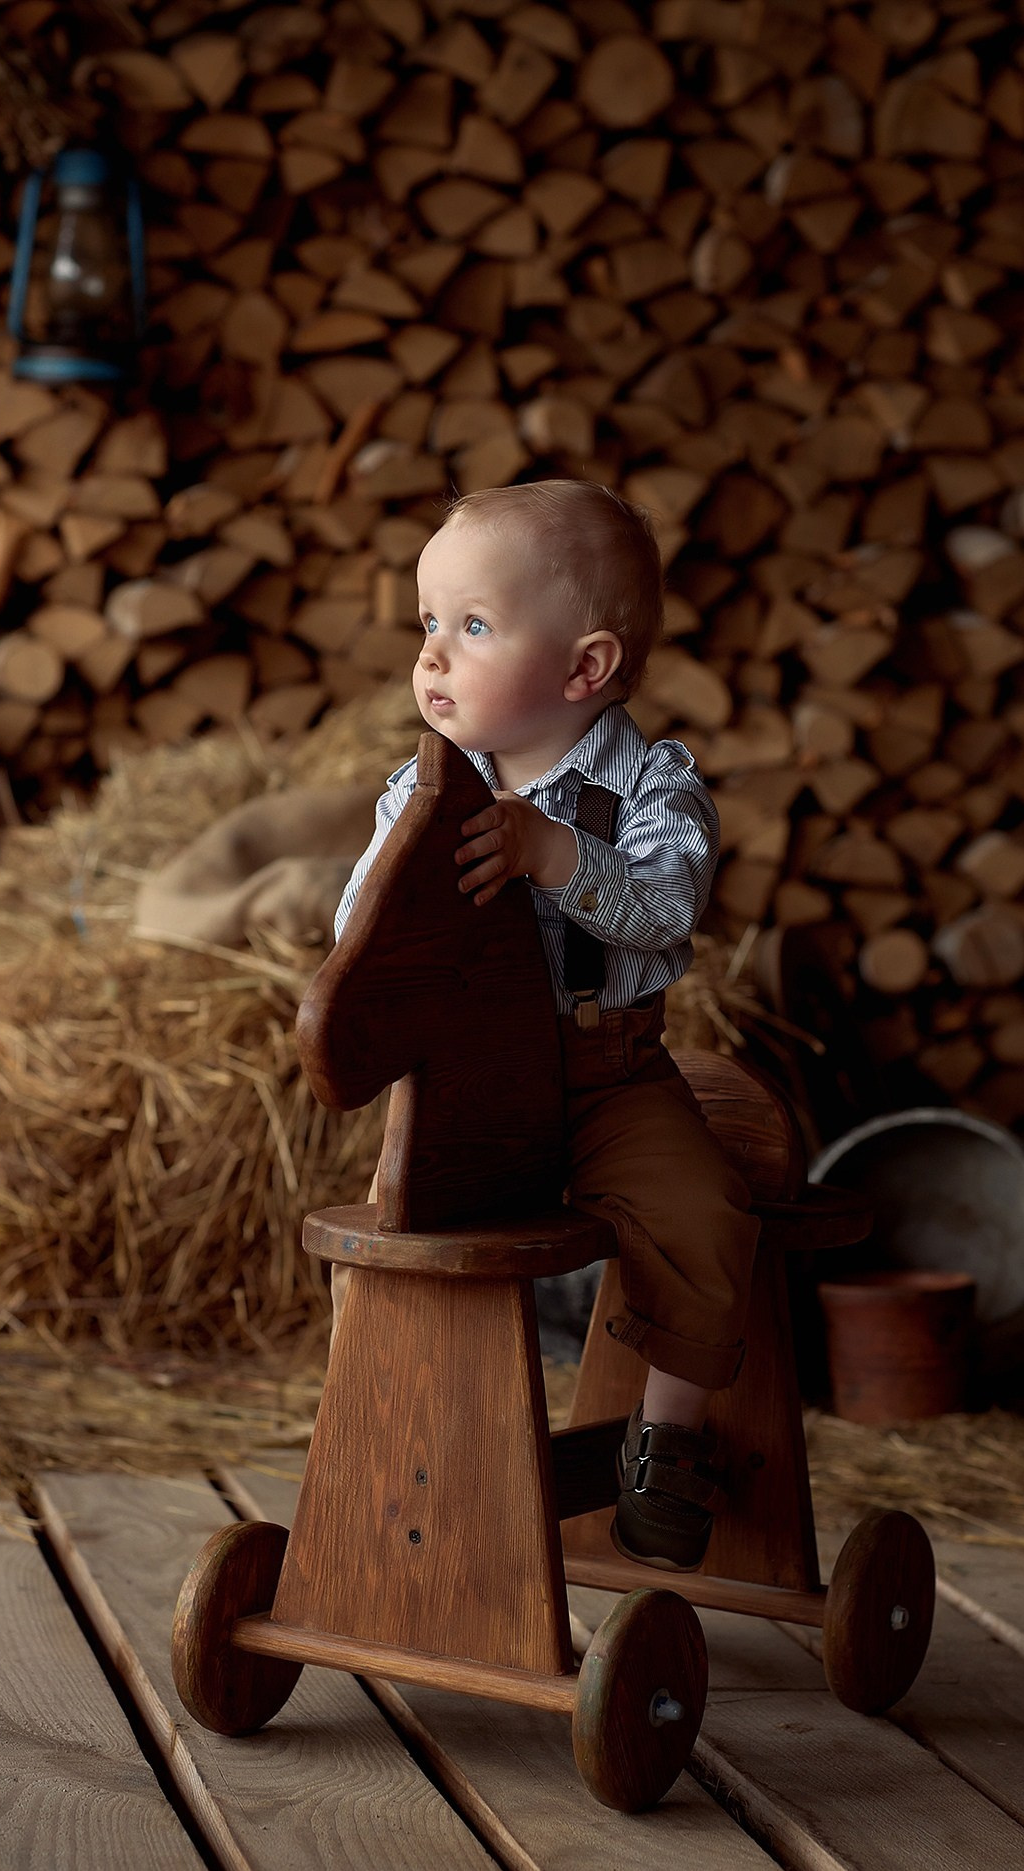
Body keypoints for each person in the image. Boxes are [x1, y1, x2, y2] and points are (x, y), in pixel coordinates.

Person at [333, 478, 759, 1571]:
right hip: (476, 1088)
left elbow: (667, 908)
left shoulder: (652, 789)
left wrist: (554, 855)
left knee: (706, 1218)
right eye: (427, 623)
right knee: (408, 1241)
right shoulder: (419, 796)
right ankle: (405, 1445)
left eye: (471, 627)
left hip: (608, 1075)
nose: (431, 656)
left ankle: (665, 1437)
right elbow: (362, 934)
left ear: (584, 668)